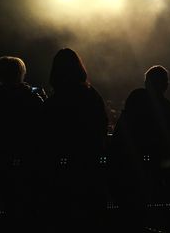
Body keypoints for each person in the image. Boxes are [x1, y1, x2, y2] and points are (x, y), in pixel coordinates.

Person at [40, 48, 108, 232]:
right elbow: (102, 126)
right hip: (89, 165)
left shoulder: (53, 102)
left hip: (59, 171)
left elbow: (44, 136)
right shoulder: (92, 95)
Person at [0, 56, 44, 230]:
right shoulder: (30, 96)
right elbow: (43, 119)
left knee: (6, 203)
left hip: (0, 154)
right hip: (28, 156)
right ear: (20, 73)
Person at [111, 65, 170, 232]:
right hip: (155, 169)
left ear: (147, 83)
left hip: (129, 164)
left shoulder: (136, 97)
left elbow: (122, 128)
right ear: (165, 85)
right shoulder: (169, 109)